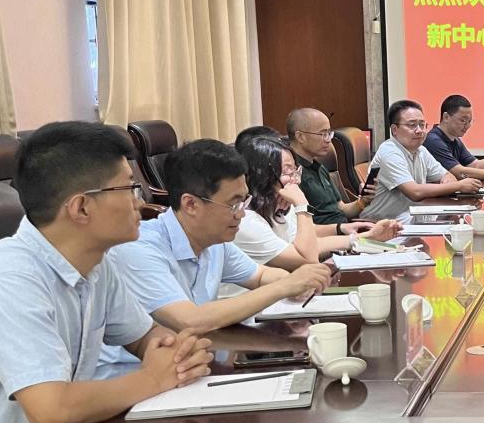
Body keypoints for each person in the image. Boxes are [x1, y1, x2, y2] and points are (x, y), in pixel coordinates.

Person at [0, 122, 213, 423]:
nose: (139, 203)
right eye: (129, 188)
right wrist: (154, 378)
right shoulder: (11, 276)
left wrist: (180, 354)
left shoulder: (97, 263)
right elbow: (52, 411)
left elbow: (146, 338)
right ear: (81, 208)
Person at [110, 139, 331, 333]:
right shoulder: (139, 248)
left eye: (244, 201)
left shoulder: (214, 241)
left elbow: (260, 276)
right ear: (191, 204)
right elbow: (189, 320)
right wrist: (285, 287)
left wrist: (298, 283)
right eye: (233, 204)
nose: (241, 214)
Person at [233, 136, 401, 270]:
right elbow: (306, 258)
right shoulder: (247, 221)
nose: (297, 180)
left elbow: (313, 244)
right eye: (287, 172)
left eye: (296, 171)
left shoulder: (280, 208)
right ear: (262, 177)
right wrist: (302, 205)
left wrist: (367, 237)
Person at [361, 100, 482, 221]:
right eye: (412, 125)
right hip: (382, 222)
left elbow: (447, 175)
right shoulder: (389, 152)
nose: (419, 130)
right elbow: (415, 192)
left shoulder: (421, 150)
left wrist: (449, 182)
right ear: (394, 130)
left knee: (461, 219)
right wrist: (459, 185)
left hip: (411, 216)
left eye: (422, 125)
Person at [286, 108, 378, 228]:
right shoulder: (291, 174)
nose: (328, 140)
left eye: (329, 133)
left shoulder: (320, 167)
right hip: (326, 235)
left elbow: (341, 208)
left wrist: (363, 201)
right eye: (323, 134)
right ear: (300, 136)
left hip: (345, 230)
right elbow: (303, 227)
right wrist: (341, 230)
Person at [424, 95, 484, 181]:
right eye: (463, 120)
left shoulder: (455, 140)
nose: (467, 126)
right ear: (446, 117)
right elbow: (460, 172)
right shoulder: (433, 140)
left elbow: (475, 166)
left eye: (470, 121)